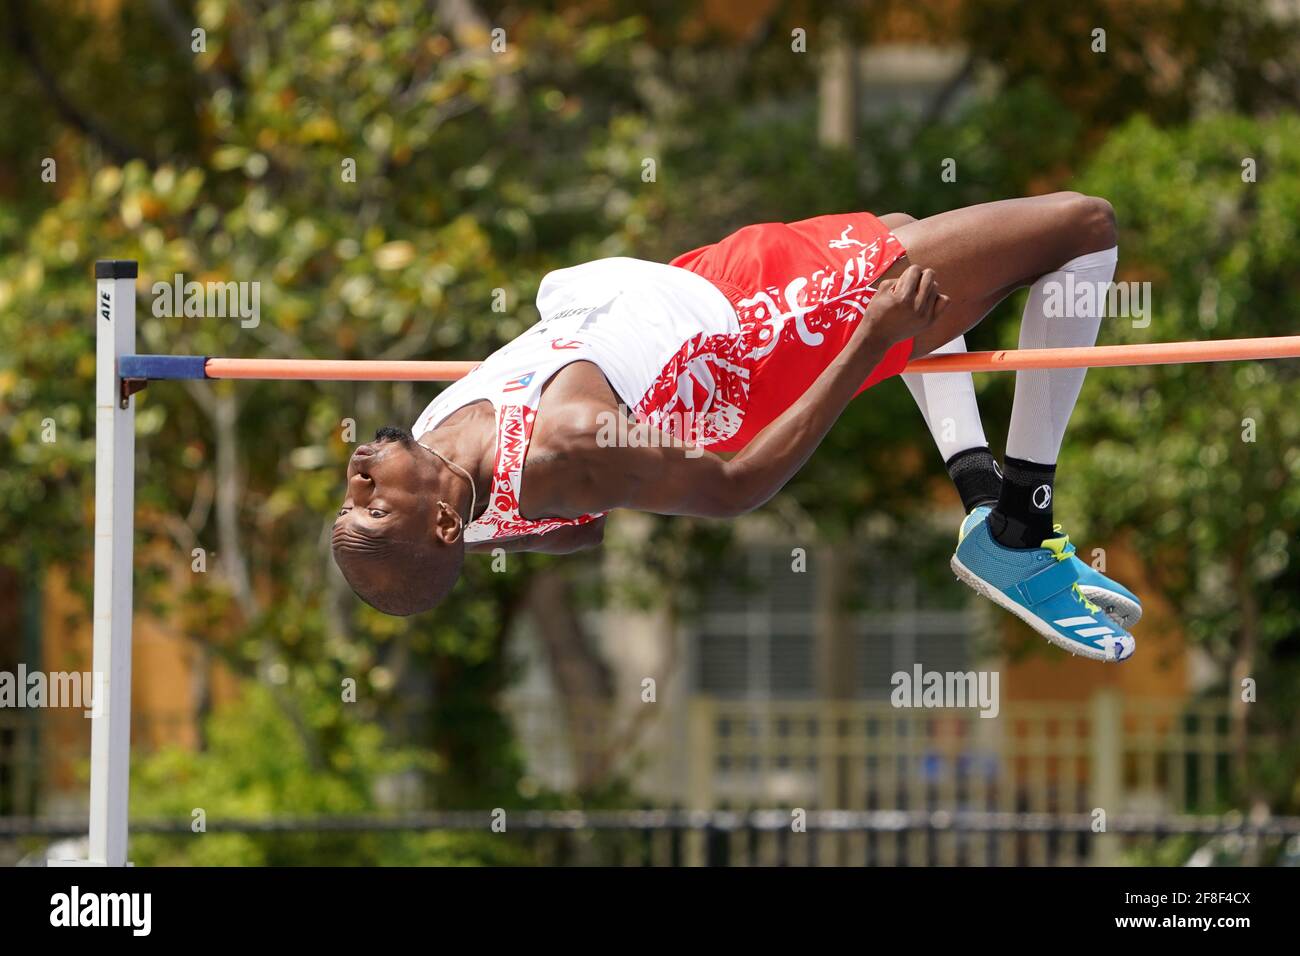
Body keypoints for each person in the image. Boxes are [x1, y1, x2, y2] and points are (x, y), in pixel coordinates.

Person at [333, 193, 1140, 662]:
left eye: (349, 499)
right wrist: (867, 337)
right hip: (765, 328)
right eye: (373, 505)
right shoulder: (566, 444)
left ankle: (977, 489)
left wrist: (477, 539)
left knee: (902, 221)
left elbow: (578, 535)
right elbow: (731, 488)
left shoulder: (443, 445)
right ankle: (1018, 526)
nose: (357, 478)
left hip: (698, 280)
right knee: (1081, 228)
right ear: (438, 517)